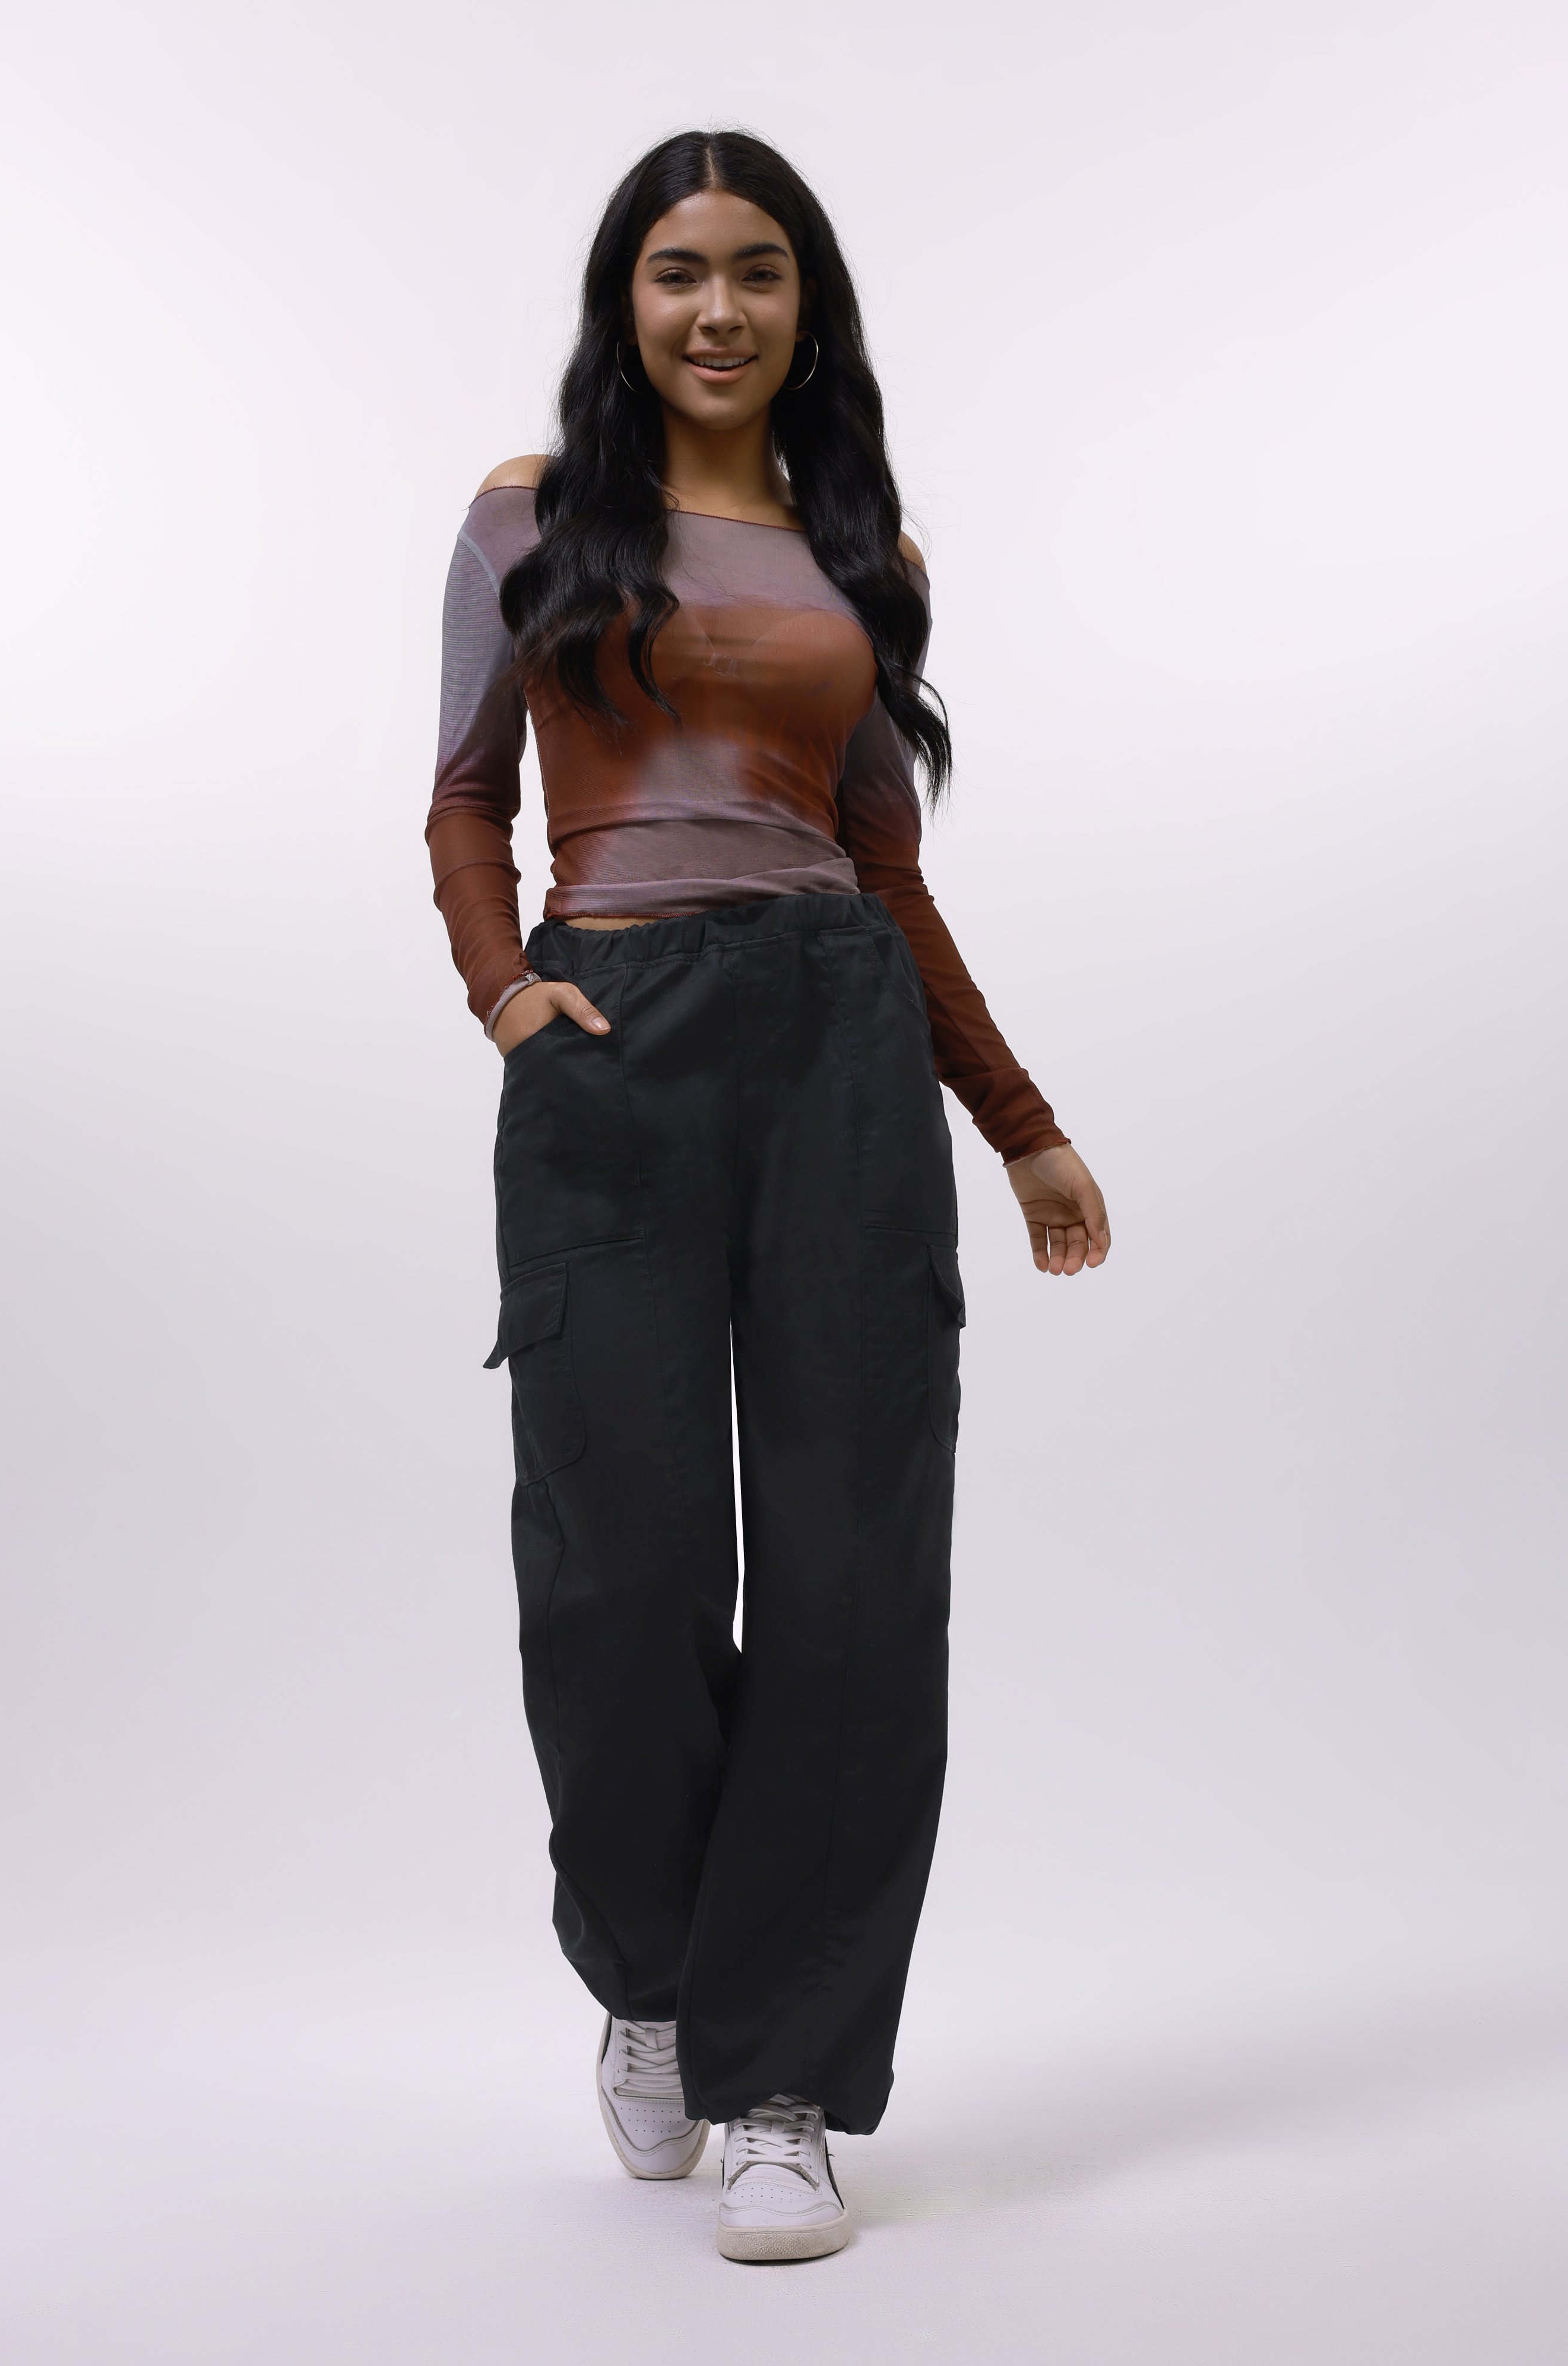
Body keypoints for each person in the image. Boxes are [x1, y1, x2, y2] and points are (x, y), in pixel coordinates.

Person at [427, 128, 1109, 2264]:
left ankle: (785, 2079)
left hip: (836, 1050)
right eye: (677, 270)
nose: (716, 308)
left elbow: (886, 869)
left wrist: (1016, 1120)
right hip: (613, 1048)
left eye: (757, 271)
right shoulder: (530, 518)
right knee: (618, 1567)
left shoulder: (859, 549)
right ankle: (653, 1978)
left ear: (807, 306)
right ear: (624, 300)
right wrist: (511, 994)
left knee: (852, 1574)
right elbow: (462, 799)